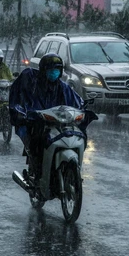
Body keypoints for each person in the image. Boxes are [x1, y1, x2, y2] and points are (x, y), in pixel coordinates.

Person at [9, 53, 84, 181]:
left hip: (59, 124)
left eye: (56, 70)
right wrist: (23, 114)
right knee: (37, 144)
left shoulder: (63, 87)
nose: (53, 73)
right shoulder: (32, 83)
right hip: (37, 123)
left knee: (79, 135)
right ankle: (38, 174)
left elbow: (77, 103)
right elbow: (18, 102)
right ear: (43, 70)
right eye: (50, 70)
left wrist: (84, 110)